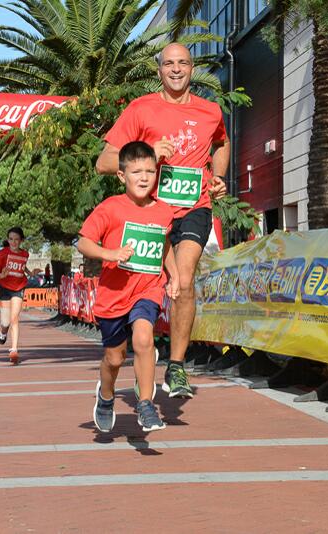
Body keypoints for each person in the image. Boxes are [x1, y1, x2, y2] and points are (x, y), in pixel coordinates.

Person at [95, 42, 229, 399]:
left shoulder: (210, 111)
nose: (175, 69)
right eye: (168, 63)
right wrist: (151, 155)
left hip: (193, 208)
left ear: (192, 68)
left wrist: (217, 175)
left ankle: (177, 365)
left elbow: (222, 144)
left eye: (182, 62)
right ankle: (124, 356)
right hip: (149, 213)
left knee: (183, 280)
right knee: (140, 294)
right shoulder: (141, 109)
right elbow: (105, 162)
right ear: (159, 70)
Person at [79, 141, 179, 433]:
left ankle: (146, 405)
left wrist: (173, 275)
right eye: (136, 172)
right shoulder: (110, 208)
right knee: (114, 358)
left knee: (145, 339)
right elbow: (84, 242)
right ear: (122, 176)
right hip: (113, 296)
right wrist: (110, 254)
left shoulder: (163, 212)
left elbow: (164, 245)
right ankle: (106, 397)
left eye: (150, 170)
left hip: (147, 289)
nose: (145, 177)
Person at [0, 227, 30, 364]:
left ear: (21, 241)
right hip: (5, 288)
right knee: (6, 322)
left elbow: (23, 267)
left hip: (19, 287)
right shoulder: (2, 253)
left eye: (17, 239)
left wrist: (31, 273)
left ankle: (14, 350)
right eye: (11, 239)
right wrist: (1, 275)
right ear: (8, 240)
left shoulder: (25, 254)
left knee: (15, 318)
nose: (14, 242)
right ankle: (3, 333)